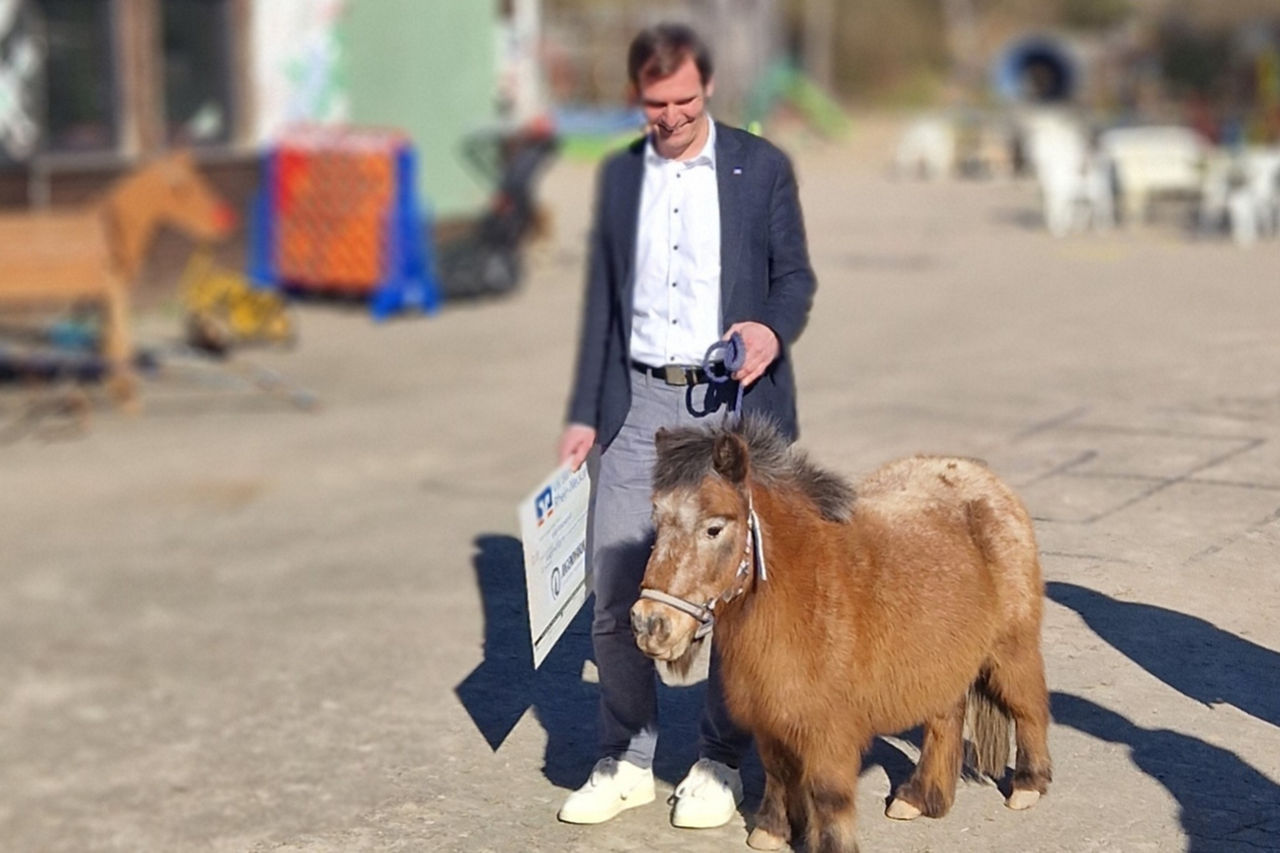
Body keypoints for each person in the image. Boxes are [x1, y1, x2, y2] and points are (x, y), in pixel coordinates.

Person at [556, 22, 817, 829]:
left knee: (731, 598)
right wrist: (580, 413)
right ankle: (628, 755)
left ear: (707, 90)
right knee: (613, 588)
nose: (670, 117)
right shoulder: (618, 178)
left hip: (726, 407)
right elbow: (602, 299)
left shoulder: (760, 167)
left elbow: (794, 276)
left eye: (685, 101)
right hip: (635, 406)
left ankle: (718, 758)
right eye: (654, 103)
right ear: (636, 96)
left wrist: (771, 329)